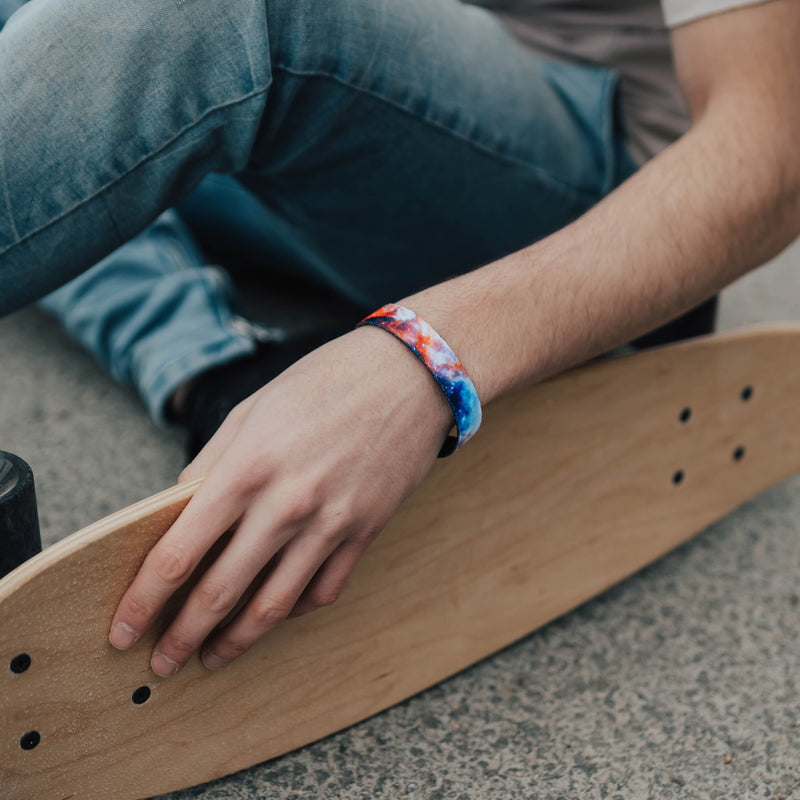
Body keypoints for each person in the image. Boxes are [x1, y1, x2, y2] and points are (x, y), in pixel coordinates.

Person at [1, 0, 797, 680]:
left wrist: (425, 354)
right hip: (337, 158)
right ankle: (217, 368)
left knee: (215, 18)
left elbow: (772, 157)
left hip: (602, 199)